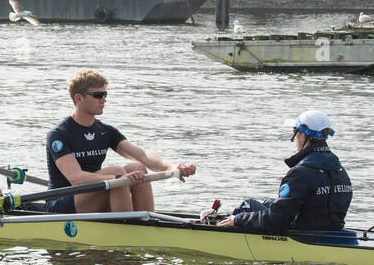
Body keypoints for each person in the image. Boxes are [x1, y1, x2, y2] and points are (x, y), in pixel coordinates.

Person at [45, 69, 195, 214]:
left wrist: (171, 167)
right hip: (61, 202)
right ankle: (126, 230)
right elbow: (76, 178)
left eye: (105, 94)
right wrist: (118, 178)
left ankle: (146, 226)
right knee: (117, 171)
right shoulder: (59, 134)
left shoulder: (105, 131)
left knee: (138, 167)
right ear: (78, 98)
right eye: (97, 95)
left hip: (92, 194)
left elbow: (142, 155)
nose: (104, 100)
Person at [218, 111, 352, 232]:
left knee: (248, 205)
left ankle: (227, 220)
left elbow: (277, 220)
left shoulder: (300, 173)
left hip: (303, 236)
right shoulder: (340, 170)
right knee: (270, 202)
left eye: (295, 131)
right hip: (330, 231)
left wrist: (237, 220)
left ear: (303, 135)